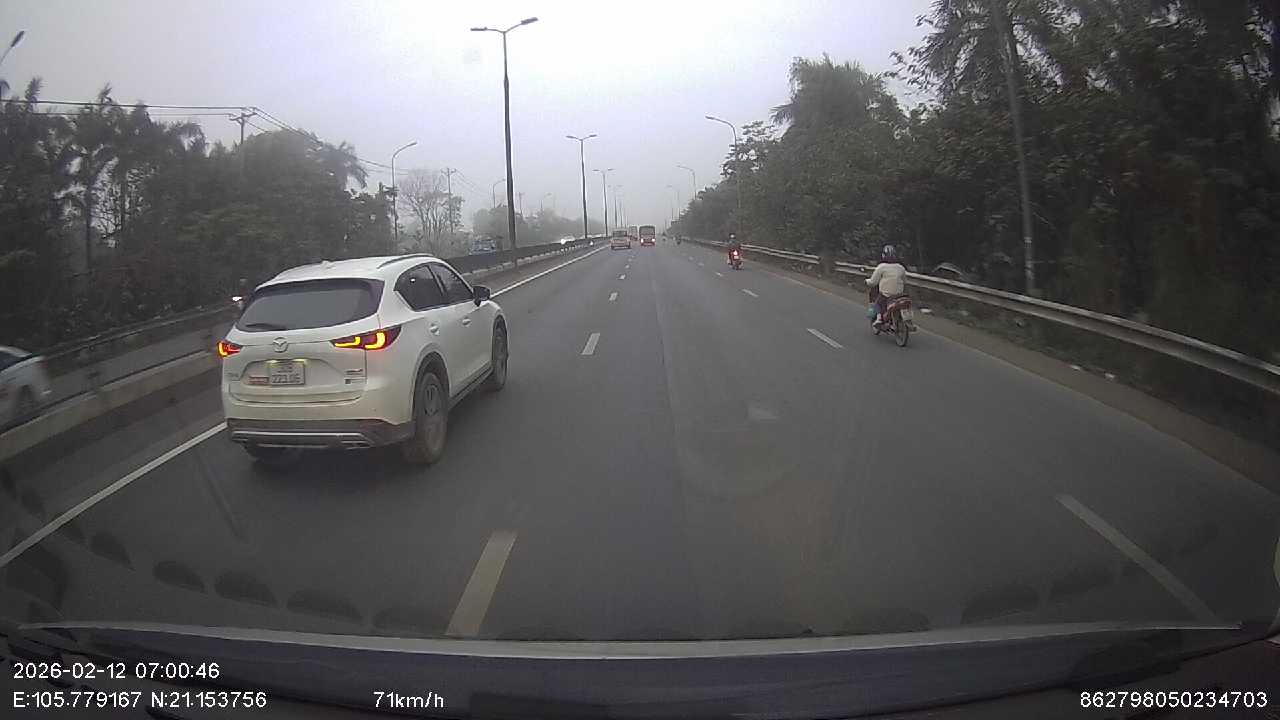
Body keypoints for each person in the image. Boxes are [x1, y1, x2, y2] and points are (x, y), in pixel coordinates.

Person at [866, 245, 907, 326]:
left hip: (886, 294)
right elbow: (905, 281)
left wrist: (867, 281)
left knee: (877, 303)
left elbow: (873, 282)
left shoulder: (881, 267)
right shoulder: (901, 267)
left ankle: (879, 319)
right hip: (899, 295)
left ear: (883, 255)